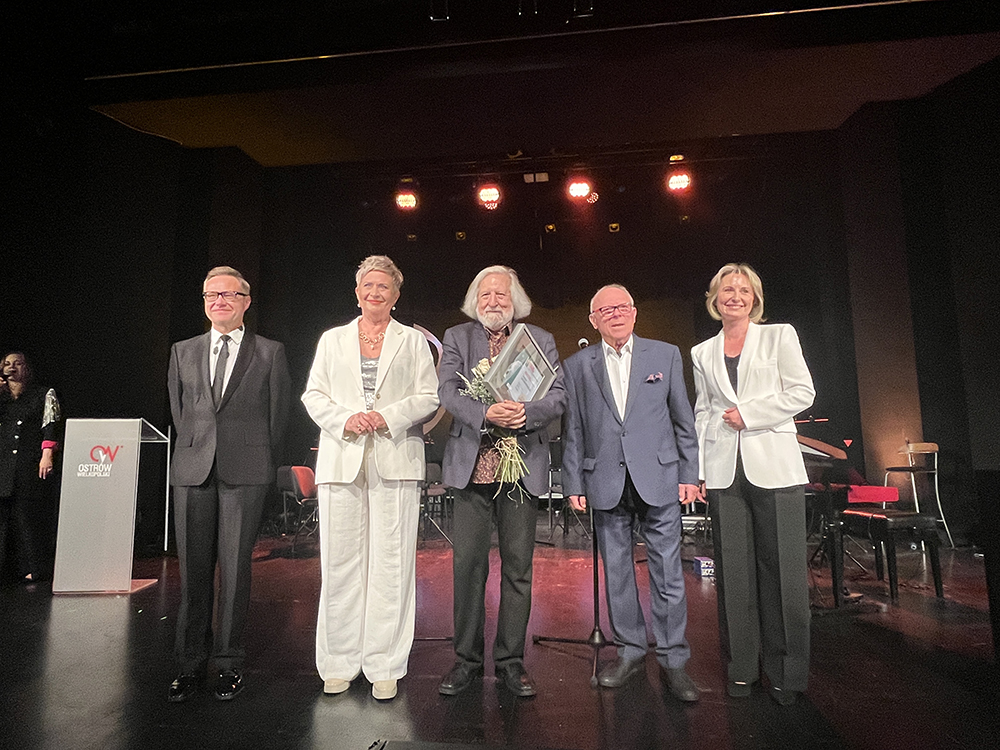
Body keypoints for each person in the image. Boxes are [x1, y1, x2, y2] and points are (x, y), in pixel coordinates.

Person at [302, 255, 439, 701]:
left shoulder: (412, 342)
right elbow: (313, 395)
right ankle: (338, 661)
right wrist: (346, 419)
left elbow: (429, 396)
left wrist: (386, 416)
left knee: (392, 565)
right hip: (342, 459)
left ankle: (385, 664)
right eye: (368, 285)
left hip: (395, 457)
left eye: (384, 286)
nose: (375, 292)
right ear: (357, 292)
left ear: (396, 295)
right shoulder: (332, 339)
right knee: (339, 564)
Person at [561, 284, 701, 703]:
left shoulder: (665, 355)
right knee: (618, 575)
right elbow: (574, 429)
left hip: (659, 477)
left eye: (622, 307)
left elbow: (683, 419)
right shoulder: (577, 365)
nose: (616, 314)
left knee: (668, 574)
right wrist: (573, 482)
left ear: (635, 312)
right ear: (594, 320)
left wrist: (690, 473)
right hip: (605, 480)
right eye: (606, 310)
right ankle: (631, 652)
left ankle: (674, 660)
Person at [437, 265, 565, 697]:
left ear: (516, 301)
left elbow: (558, 395)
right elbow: (447, 391)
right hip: (472, 470)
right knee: (467, 569)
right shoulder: (457, 338)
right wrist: (485, 413)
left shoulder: (539, 339)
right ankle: (466, 661)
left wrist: (526, 414)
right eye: (486, 294)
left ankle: (511, 662)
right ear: (475, 300)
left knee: (518, 570)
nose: (493, 301)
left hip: (520, 470)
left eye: (501, 294)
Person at [691, 263, 815, 706]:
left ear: (755, 299)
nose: (735, 296)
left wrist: (751, 414)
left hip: (775, 467)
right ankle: (741, 669)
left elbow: (802, 392)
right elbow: (704, 410)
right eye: (728, 289)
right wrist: (701, 468)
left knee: (783, 574)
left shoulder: (779, 336)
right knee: (734, 574)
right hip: (725, 470)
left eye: (744, 290)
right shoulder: (702, 351)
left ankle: (786, 674)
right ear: (715, 298)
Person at [166, 266, 291, 703]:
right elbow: (181, 412)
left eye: (228, 294)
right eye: (211, 295)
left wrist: (260, 459)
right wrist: (197, 447)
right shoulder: (182, 351)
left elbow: (278, 417)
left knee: (236, 571)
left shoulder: (270, 352)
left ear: (246, 302)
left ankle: (227, 663)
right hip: (193, 469)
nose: (219, 301)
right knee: (193, 572)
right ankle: (188, 664)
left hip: (247, 470)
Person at [0, 352, 62, 585]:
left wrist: (47, 455)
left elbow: (51, 425)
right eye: (7, 364)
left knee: (26, 516)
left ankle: (33, 567)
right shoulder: (2, 398)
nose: (11, 367)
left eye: (17, 363)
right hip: (3, 462)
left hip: (28, 462)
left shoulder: (43, 394)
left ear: (26, 367)